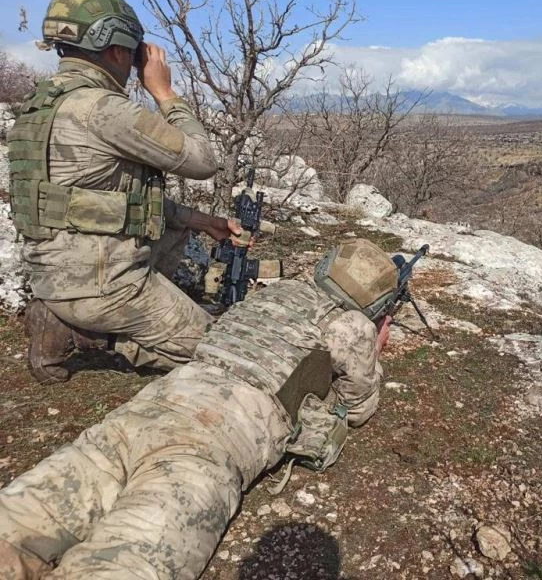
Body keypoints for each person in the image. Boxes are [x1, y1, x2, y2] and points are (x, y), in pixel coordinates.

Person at [0, 238, 396, 580]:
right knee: (125, 565)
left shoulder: (280, 290)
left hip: (157, 403)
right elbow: (357, 408)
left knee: (16, 525)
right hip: (212, 441)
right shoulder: (351, 325)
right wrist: (371, 351)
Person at [7, 0, 245, 383]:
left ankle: (62, 313)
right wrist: (164, 92)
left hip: (55, 273)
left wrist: (198, 218)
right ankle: (97, 334)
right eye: (133, 52)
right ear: (117, 50)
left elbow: (101, 203)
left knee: (175, 228)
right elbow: (203, 161)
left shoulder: (40, 105)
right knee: (227, 355)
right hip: (102, 285)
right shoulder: (103, 109)